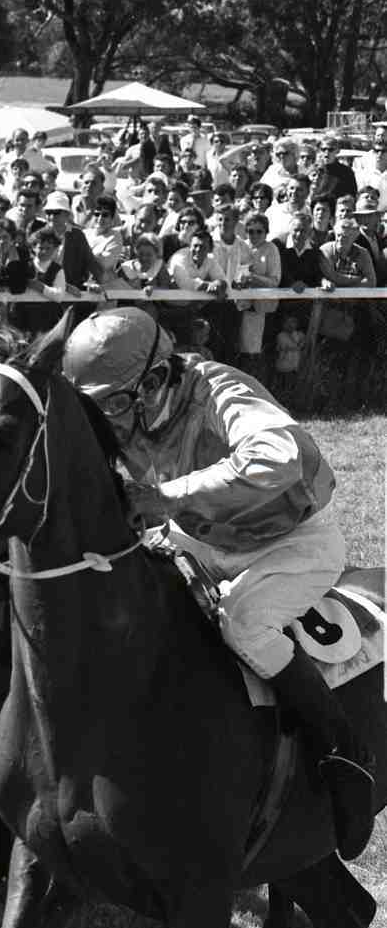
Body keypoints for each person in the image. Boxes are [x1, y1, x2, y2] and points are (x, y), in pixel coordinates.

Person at [62, 305, 371, 860]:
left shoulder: (219, 391)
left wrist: (168, 496)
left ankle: (342, 750)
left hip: (292, 542)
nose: (105, 422)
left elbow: (282, 455)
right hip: (202, 537)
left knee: (243, 623)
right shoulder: (131, 404)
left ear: (154, 381)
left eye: (112, 405)